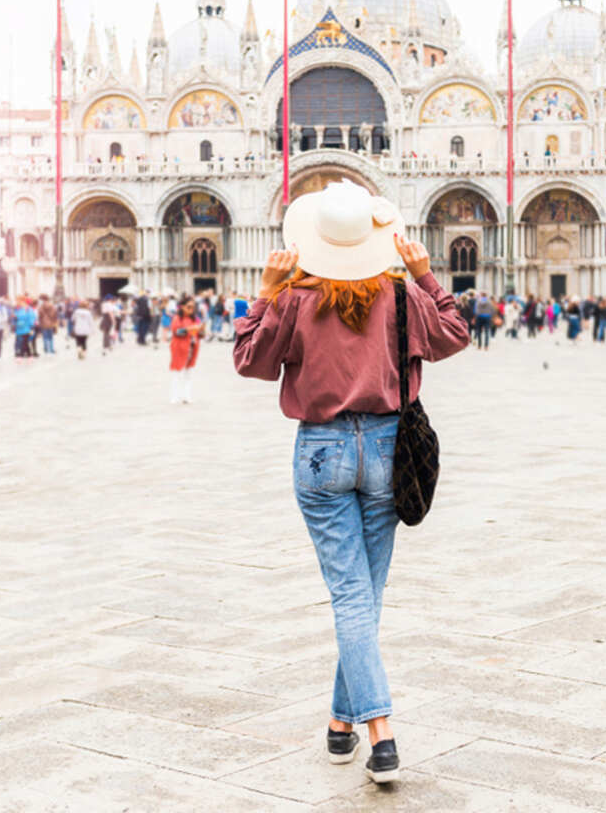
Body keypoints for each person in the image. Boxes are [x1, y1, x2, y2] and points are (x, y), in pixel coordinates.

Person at [233, 181, 469, 785]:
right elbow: (454, 334)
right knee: (365, 591)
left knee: (351, 593)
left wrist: (264, 294)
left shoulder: (293, 300)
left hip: (321, 453)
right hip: (389, 450)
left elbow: (249, 361)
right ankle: (352, 726)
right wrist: (425, 275)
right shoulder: (400, 295)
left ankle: (371, 728)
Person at [168, 295, 205, 403]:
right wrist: (190, 329)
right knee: (177, 373)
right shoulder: (177, 318)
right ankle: (175, 396)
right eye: (189, 307)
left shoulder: (195, 318)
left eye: (193, 307)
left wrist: (201, 330)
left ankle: (186, 396)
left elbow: (200, 334)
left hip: (192, 349)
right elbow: (176, 332)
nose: (191, 309)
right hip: (179, 348)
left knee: (189, 374)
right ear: (182, 307)